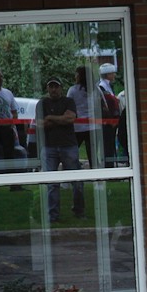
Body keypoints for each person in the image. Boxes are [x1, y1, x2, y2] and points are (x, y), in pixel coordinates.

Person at [36, 78, 85, 222]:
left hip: (68, 145)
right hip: (49, 147)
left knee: (76, 181)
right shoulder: (42, 103)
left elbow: (70, 119)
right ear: (47, 88)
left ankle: (79, 211)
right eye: (51, 87)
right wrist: (60, 119)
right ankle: (53, 216)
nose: (53, 89)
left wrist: (50, 117)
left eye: (56, 86)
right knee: (51, 183)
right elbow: (40, 124)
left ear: (61, 88)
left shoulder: (68, 101)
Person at [0, 67, 20, 183]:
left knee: (10, 155)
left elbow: (14, 111)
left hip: (7, 128)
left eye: (1, 76)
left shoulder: (7, 93)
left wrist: (13, 124)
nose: (0, 79)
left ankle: (13, 183)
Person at [66, 66, 101, 168]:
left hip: (78, 126)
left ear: (79, 76)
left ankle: (74, 171)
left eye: (76, 74)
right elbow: (99, 106)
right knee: (93, 155)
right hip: (93, 126)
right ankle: (96, 174)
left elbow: (68, 106)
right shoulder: (95, 90)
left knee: (72, 153)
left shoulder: (73, 90)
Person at [97, 62, 121, 167]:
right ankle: (108, 165)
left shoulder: (107, 86)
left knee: (110, 144)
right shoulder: (102, 87)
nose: (114, 75)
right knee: (107, 145)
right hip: (107, 122)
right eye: (112, 73)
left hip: (110, 122)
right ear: (108, 74)